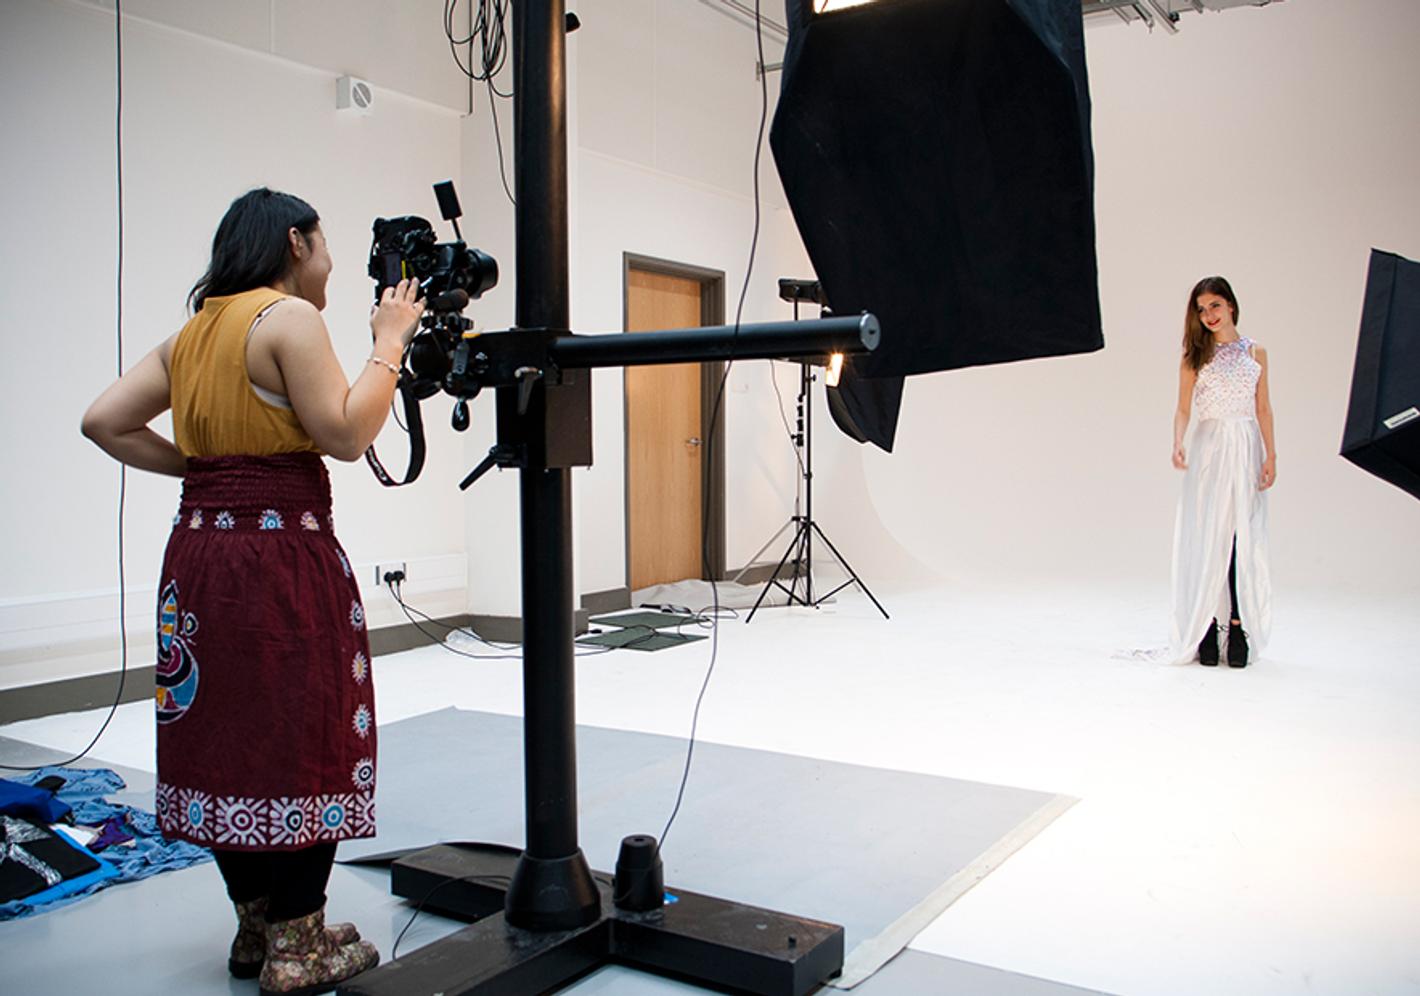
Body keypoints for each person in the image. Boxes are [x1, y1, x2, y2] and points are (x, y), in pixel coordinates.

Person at [81, 188, 423, 994]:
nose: (331, 262)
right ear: (297, 242)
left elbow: (103, 421)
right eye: (325, 245)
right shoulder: (287, 320)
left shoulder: (191, 334)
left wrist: (207, 470)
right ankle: (299, 948)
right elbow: (345, 434)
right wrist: (390, 342)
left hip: (197, 560)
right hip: (281, 563)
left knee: (224, 734)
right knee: (304, 736)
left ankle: (257, 926)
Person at [1169, 275, 1275, 668]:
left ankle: (1237, 620)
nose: (1208, 315)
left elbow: (1263, 407)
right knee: (1211, 531)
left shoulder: (1255, 352)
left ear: (1231, 304)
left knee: (1239, 534)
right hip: (1211, 446)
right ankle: (1210, 624)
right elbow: (1183, 408)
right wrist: (1178, 440)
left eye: (1215, 305)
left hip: (1244, 445)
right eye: (1201, 309)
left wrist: (1271, 455)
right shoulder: (1195, 355)